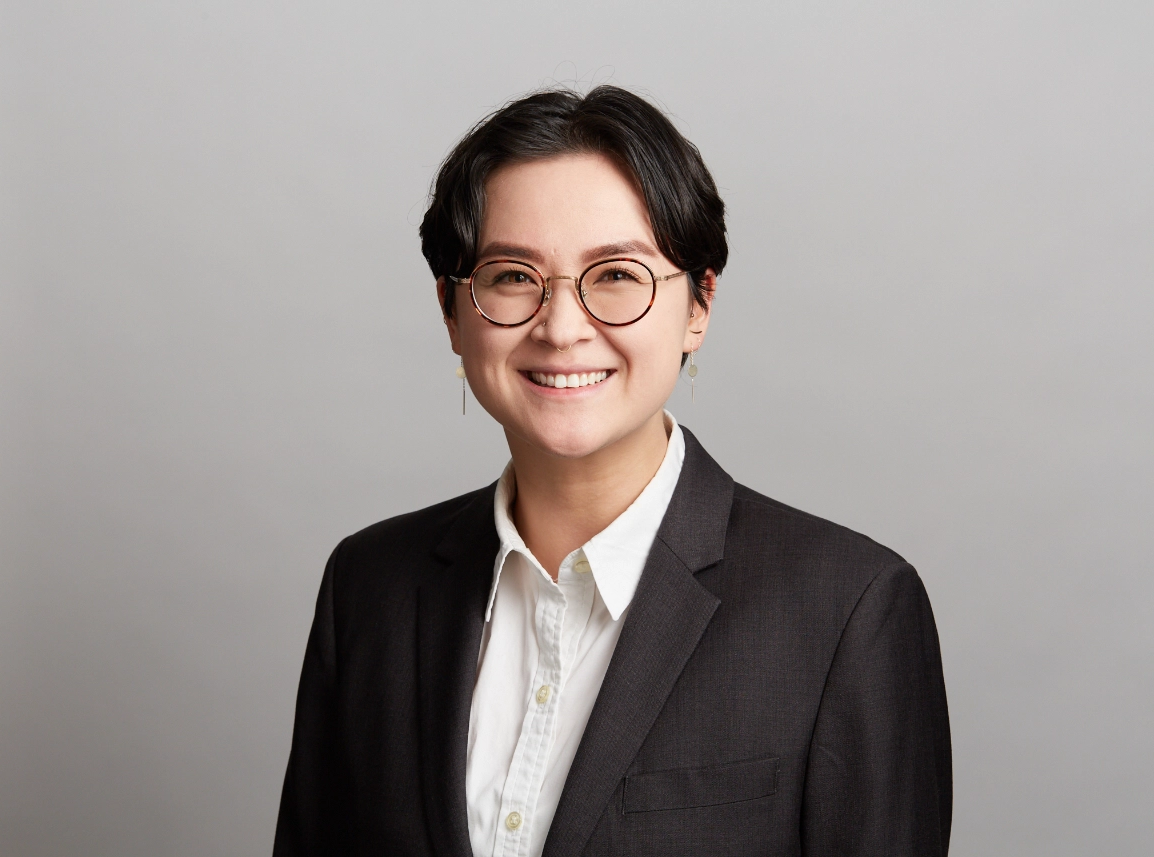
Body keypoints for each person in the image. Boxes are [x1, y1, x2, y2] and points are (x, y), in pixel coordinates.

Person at [273, 86, 952, 857]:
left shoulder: (848, 611)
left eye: (618, 276)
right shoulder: (368, 589)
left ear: (699, 303)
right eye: (512, 277)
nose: (562, 328)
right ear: (452, 313)